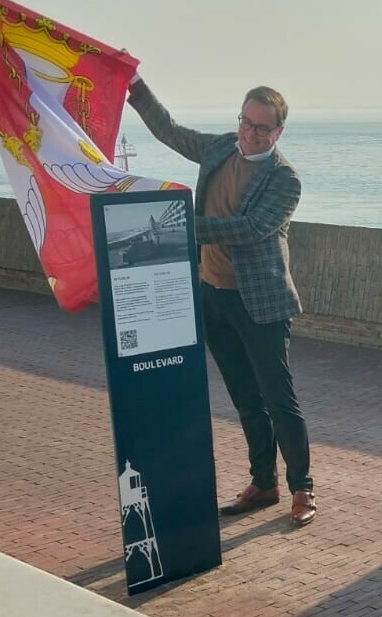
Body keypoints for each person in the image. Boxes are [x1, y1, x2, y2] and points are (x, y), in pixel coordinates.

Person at [127, 77, 316, 526]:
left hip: (262, 304)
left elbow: (250, 228)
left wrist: (182, 227)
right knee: (245, 398)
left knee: (278, 399)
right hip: (213, 294)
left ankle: (302, 487)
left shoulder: (284, 179)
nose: (250, 134)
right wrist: (135, 88)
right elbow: (170, 130)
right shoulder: (219, 149)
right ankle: (263, 481)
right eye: (245, 123)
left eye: (262, 128)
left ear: (278, 133)